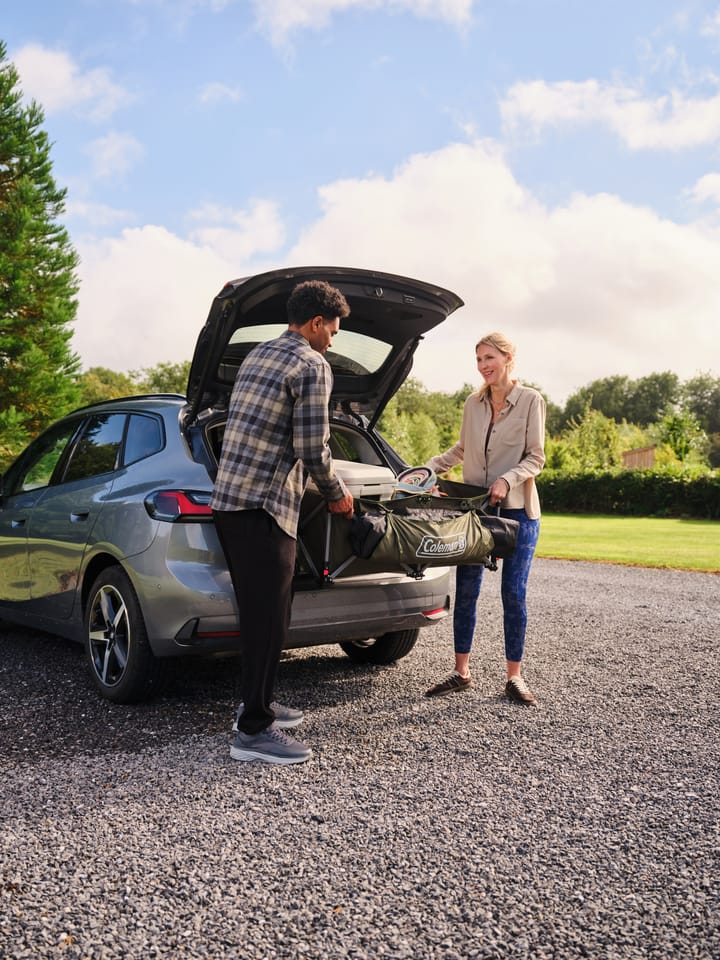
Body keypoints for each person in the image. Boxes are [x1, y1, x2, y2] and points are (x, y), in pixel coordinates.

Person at [211, 280, 355, 764]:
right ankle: (251, 732)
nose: (333, 341)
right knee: (268, 619)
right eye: (333, 331)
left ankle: (260, 704)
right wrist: (336, 495)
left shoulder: (257, 355)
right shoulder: (312, 364)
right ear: (316, 323)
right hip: (266, 507)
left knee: (262, 613)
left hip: (230, 501)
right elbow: (311, 448)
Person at [424, 332, 546, 705]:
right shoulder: (472, 403)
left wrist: (506, 480)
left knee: (513, 593)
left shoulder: (530, 401)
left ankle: (514, 677)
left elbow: (536, 457)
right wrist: (427, 469)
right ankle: (461, 672)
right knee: (468, 591)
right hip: (475, 512)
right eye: (478, 359)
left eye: (489, 358)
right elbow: (462, 448)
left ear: (508, 357)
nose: (483, 366)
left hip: (517, 513)